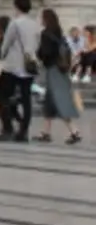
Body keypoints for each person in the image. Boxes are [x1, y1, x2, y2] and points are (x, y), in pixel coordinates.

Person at [34, 8, 81, 144]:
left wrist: (39, 54)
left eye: (41, 18)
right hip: (61, 69)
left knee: (60, 100)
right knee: (50, 101)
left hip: (53, 69)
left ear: (45, 19)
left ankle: (74, 131)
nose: (40, 20)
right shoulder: (59, 33)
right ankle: (46, 132)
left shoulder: (45, 34)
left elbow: (46, 53)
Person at [0, 0, 39, 142]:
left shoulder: (15, 23)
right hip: (30, 65)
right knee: (26, 99)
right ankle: (23, 131)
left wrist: (1, 57)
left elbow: (6, 44)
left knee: (3, 96)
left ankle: (8, 128)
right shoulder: (35, 24)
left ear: (16, 7)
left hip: (14, 65)